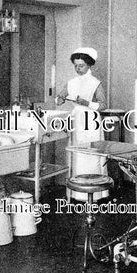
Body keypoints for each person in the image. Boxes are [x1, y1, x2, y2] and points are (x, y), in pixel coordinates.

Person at [56, 47, 108, 200]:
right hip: (77, 120)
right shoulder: (71, 82)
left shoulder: (95, 83)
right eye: (76, 65)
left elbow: (104, 105)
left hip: (91, 121)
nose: (78, 69)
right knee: (77, 156)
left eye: (81, 66)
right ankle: (77, 194)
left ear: (89, 65)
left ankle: (95, 195)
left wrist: (87, 103)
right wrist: (59, 99)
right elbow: (60, 97)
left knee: (91, 157)